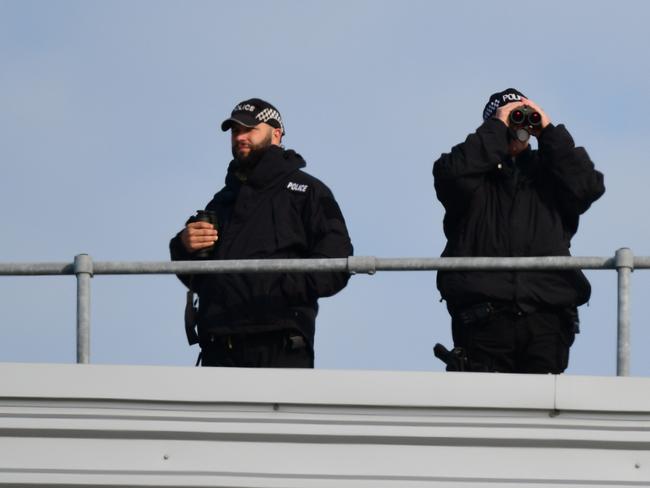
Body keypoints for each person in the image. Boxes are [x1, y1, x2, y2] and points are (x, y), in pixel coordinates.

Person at [170, 98, 353, 368]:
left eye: (249, 129)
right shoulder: (221, 202)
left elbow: (337, 261)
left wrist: (279, 287)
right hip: (219, 348)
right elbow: (198, 276)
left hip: (281, 343)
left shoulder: (308, 191)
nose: (240, 137)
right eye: (234, 131)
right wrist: (184, 246)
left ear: (276, 133)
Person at [432, 88, 605, 374]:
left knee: (542, 408)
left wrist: (547, 131)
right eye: (511, 119)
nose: (518, 126)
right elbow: (451, 175)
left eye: (523, 117)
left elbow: (588, 186)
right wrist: (498, 126)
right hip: (483, 319)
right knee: (487, 411)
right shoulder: (470, 177)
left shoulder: (550, 173)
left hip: (546, 318)